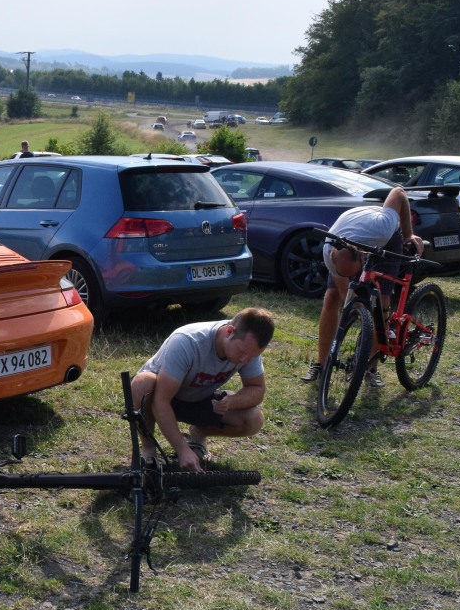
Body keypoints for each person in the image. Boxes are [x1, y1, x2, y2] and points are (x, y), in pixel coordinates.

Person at [301, 186, 423, 387]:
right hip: (348, 232)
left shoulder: (383, 227)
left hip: (386, 238)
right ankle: (321, 364)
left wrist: (409, 235)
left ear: (363, 258)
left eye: (354, 273)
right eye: (345, 274)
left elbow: (398, 192)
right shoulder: (330, 251)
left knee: (380, 304)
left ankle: (371, 368)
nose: (352, 278)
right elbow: (344, 294)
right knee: (332, 298)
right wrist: (357, 310)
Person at [131, 308, 275, 472]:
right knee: (142, 383)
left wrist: (232, 401)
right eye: (242, 353)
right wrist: (182, 450)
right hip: (160, 398)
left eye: (251, 357)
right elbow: (160, 400)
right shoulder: (188, 341)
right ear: (229, 332)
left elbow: (257, 389)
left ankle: (198, 434)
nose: (244, 360)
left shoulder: (248, 348)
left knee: (253, 419)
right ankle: (148, 450)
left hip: (198, 398)